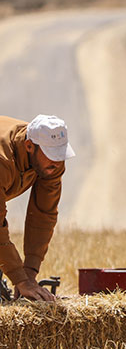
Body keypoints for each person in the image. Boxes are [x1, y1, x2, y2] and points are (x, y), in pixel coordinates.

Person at [0, 114, 73, 302]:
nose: (56, 163)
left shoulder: (51, 164)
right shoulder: (3, 160)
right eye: (51, 155)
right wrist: (19, 278)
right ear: (29, 146)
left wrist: (29, 271)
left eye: (60, 155)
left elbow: (43, 214)